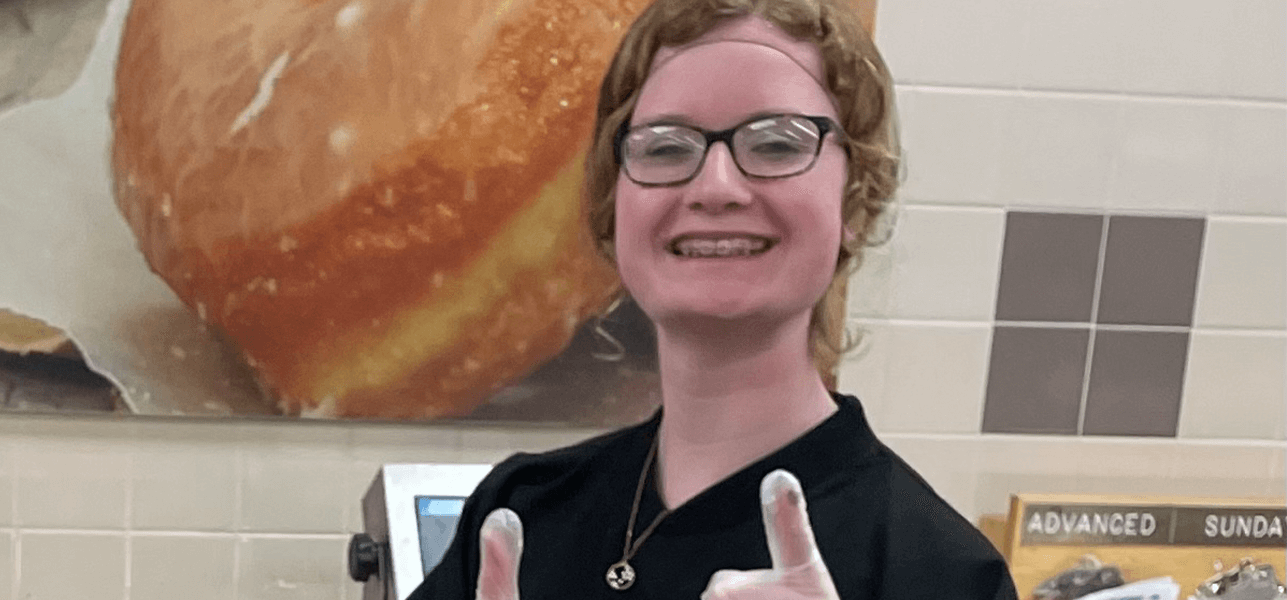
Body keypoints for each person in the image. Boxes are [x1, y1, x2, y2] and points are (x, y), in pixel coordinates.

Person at [410, 0, 1018, 598]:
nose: (716, 186)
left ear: (855, 198)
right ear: (614, 201)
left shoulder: (942, 572)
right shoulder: (521, 512)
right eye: (666, 147)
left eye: (778, 143)